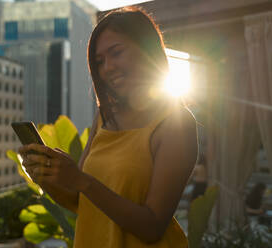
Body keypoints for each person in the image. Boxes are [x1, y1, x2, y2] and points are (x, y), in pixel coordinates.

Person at [19, 7, 198, 247]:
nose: (107, 68)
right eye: (99, 61)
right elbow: (80, 201)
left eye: (116, 52)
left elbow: (153, 226)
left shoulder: (176, 123)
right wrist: (47, 177)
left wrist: (81, 179)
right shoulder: (105, 117)